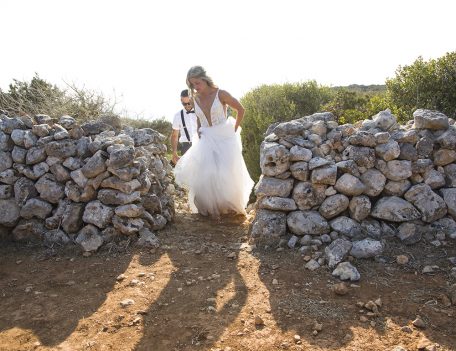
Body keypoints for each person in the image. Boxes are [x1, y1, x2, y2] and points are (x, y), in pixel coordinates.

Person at [174, 66, 254, 217]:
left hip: (224, 137)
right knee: (206, 173)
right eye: (192, 85)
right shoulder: (194, 98)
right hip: (206, 138)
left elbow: (240, 109)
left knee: (226, 172)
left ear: (205, 79)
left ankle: (229, 208)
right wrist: (199, 129)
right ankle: (210, 209)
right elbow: (198, 117)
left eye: (197, 83)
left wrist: (234, 129)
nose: (195, 87)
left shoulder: (221, 94)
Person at [171, 89, 198, 165]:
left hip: (202, 145)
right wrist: (174, 152)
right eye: (184, 104)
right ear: (181, 101)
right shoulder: (178, 116)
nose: (187, 106)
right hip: (186, 146)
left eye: (189, 103)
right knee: (188, 174)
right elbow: (174, 135)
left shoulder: (201, 111)